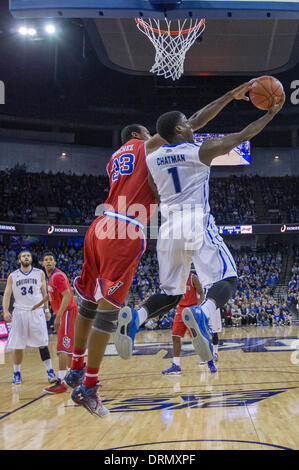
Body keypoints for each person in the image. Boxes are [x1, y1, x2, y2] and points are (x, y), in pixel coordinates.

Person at [64, 84, 252, 417]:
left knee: (89, 304)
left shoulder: (113, 160)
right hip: (125, 228)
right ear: (137, 135)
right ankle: (89, 385)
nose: (153, 134)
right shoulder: (144, 145)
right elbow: (192, 122)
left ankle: (77, 367)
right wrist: (228, 97)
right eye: (148, 132)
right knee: (107, 312)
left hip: (99, 224)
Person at [114, 84, 285, 365]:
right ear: (180, 130)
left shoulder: (152, 158)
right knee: (228, 279)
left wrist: (230, 96)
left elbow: (154, 192)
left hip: (168, 228)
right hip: (197, 221)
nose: (191, 127)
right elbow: (244, 135)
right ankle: (203, 314)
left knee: (171, 294)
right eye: (186, 124)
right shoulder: (199, 152)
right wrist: (270, 114)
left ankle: (137, 316)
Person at [2, 250, 57, 385]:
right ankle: (16, 373)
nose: (26, 258)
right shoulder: (13, 276)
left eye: (28, 256)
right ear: (19, 259)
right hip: (19, 312)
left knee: (43, 344)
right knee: (18, 346)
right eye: (23, 256)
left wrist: (46, 309)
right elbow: (7, 295)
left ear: (31, 259)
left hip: (36, 312)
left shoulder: (39, 273)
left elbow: (45, 293)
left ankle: (50, 371)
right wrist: (5, 310)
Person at [32, 252, 79, 394]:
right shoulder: (51, 278)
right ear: (42, 263)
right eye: (45, 260)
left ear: (55, 262)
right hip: (66, 312)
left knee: (62, 348)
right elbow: (50, 294)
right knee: (68, 348)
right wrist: (38, 304)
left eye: (51, 260)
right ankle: (75, 377)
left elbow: (67, 295)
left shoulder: (57, 276)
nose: (48, 262)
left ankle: (62, 382)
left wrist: (58, 316)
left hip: (67, 312)